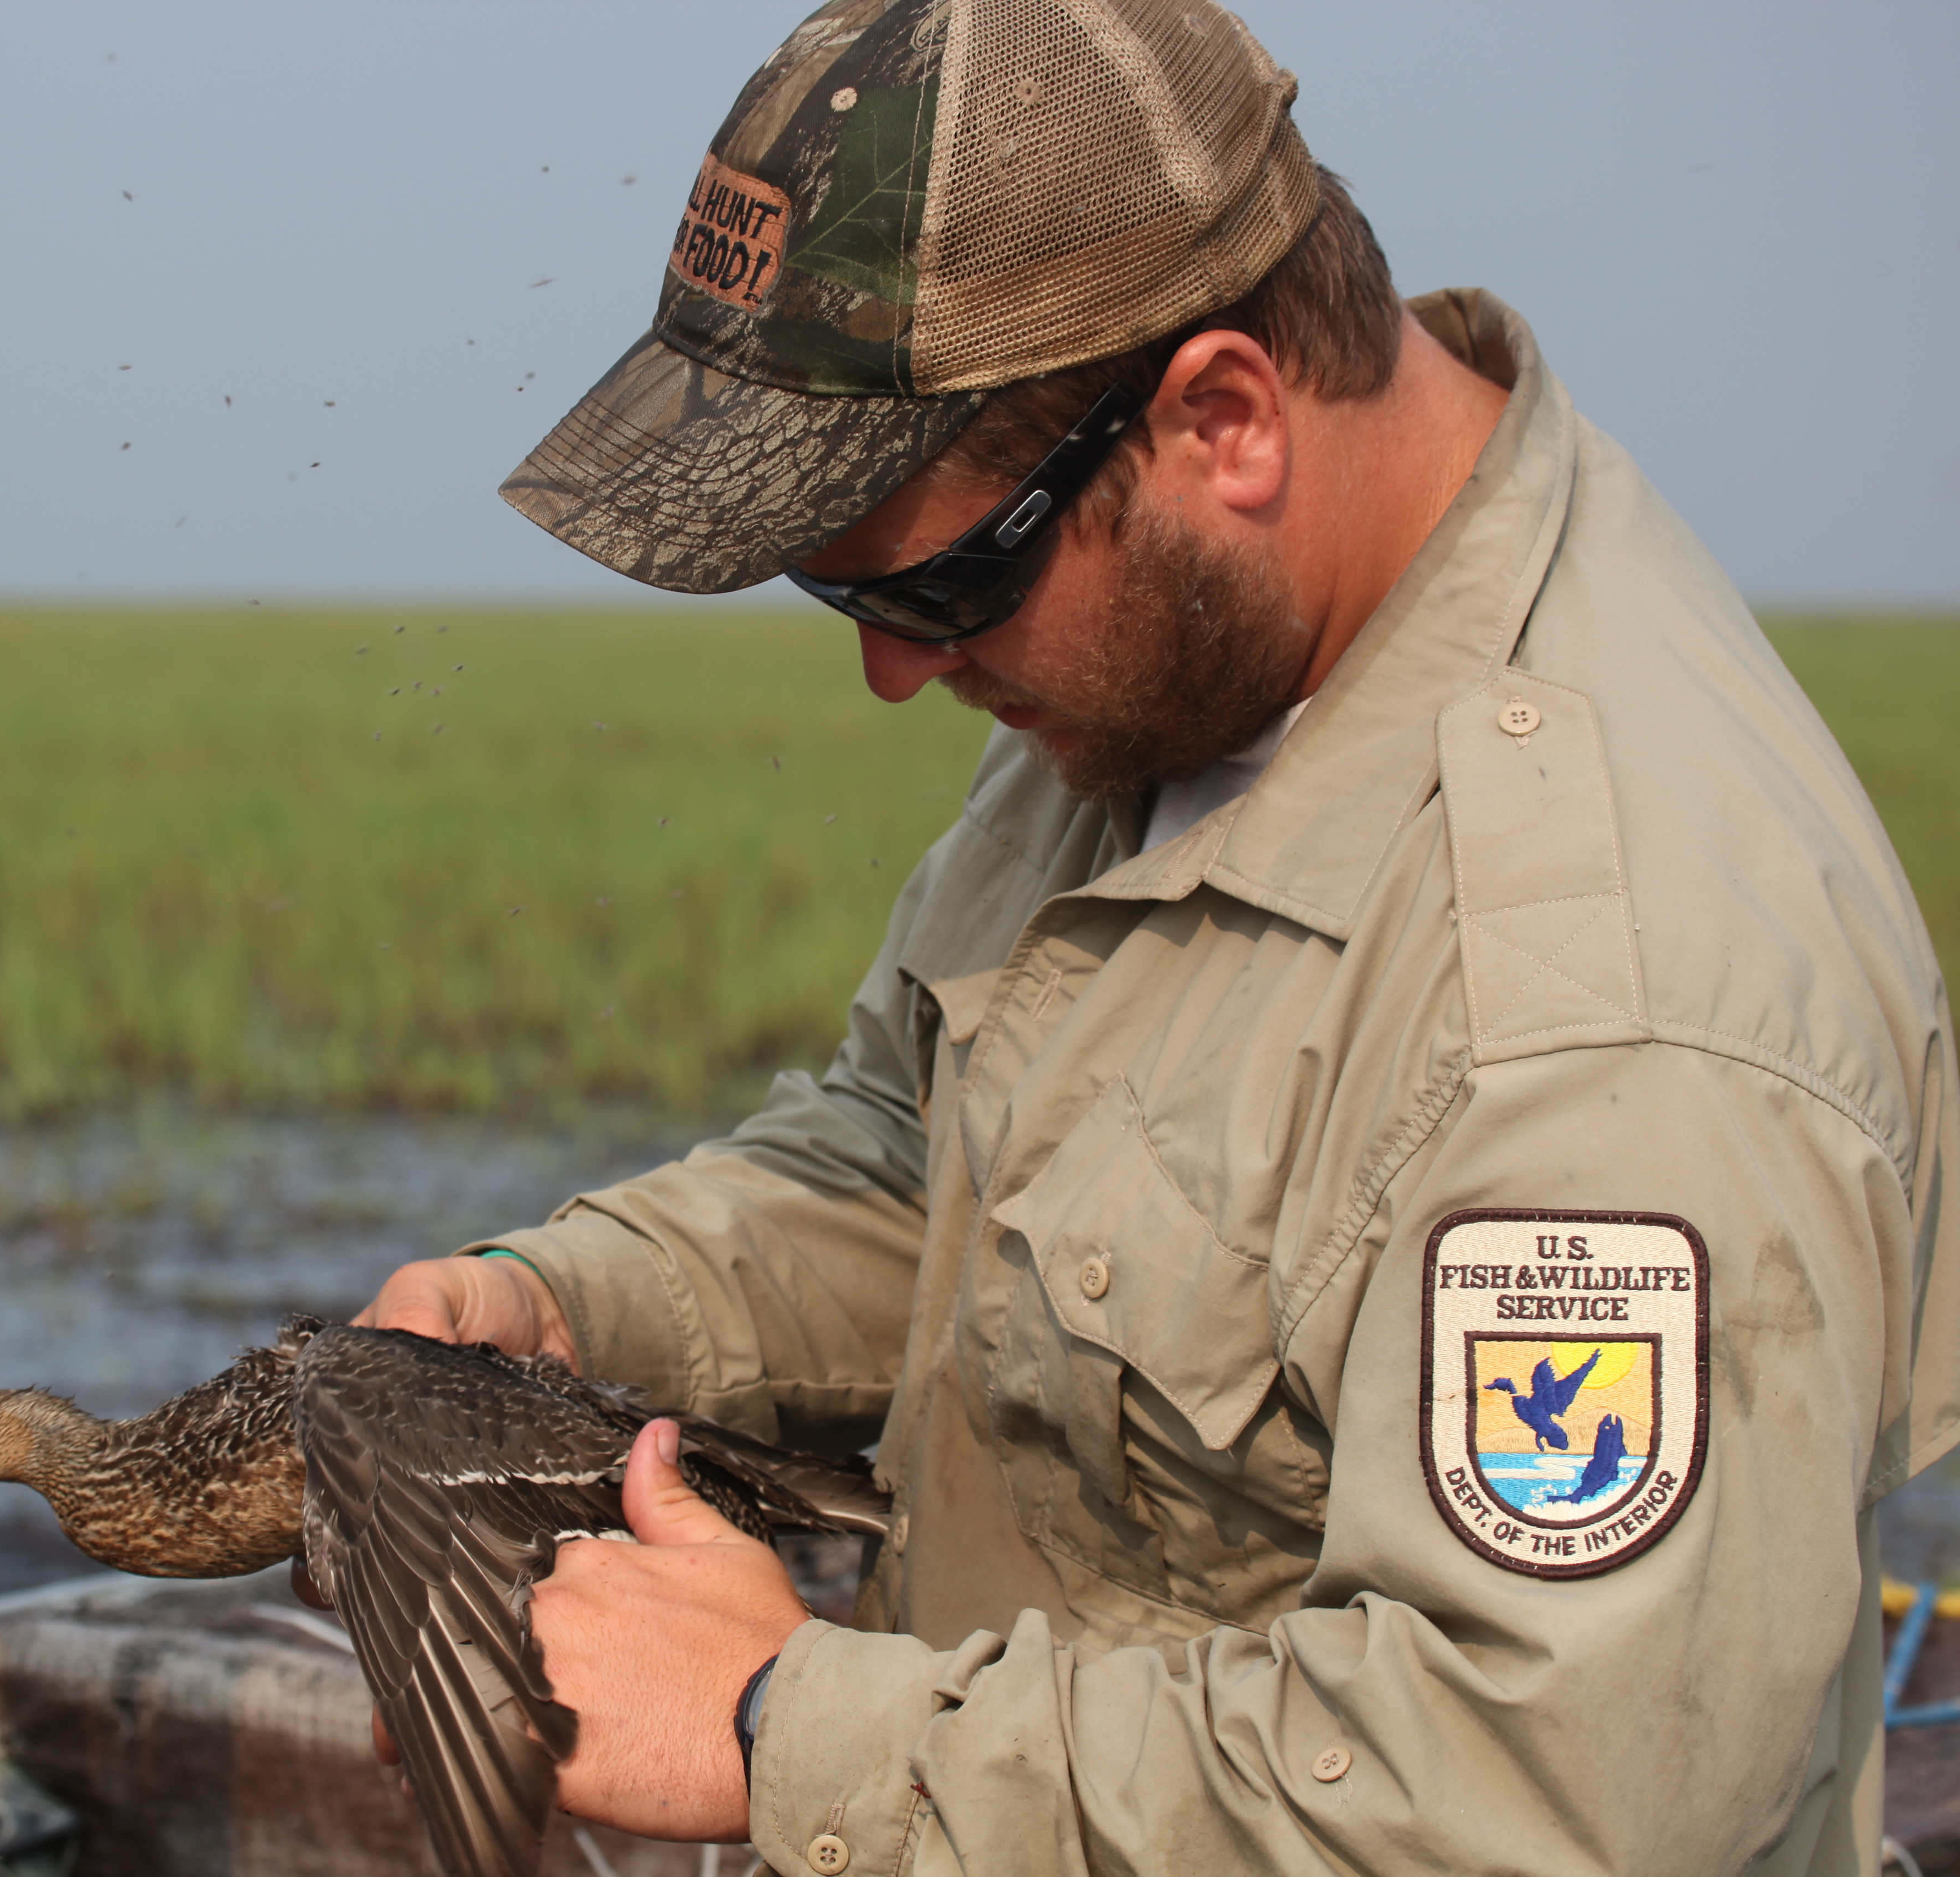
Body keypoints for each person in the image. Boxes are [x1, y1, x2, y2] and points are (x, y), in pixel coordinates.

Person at [355, 1, 1960, 1871]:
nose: (894, 670)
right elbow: (930, 1161)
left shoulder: (1613, 1014)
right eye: (834, 590)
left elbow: (1553, 1799)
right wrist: (567, 1302)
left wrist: (783, 1725)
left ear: (1224, 422)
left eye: (941, 579)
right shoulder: (1185, 672)